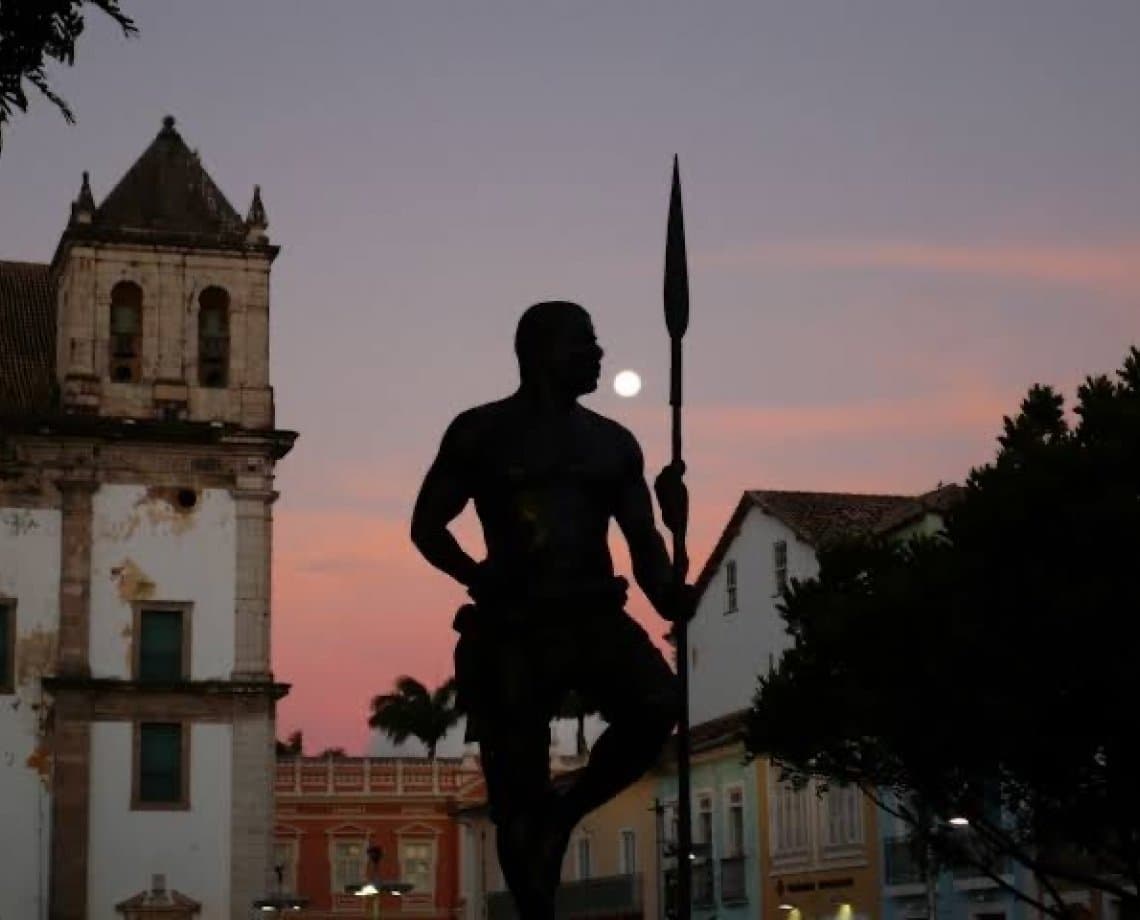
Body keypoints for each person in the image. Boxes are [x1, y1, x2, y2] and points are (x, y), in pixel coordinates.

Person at [411, 300, 693, 918]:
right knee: (515, 796)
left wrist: (679, 530)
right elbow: (428, 527)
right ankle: (536, 901)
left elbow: (653, 565)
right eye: (584, 344)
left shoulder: (614, 444)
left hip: (594, 615)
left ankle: (564, 815)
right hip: (512, 624)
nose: (598, 356)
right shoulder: (480, 432)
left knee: (659, 704)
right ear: (540, 352)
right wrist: (479, 577)